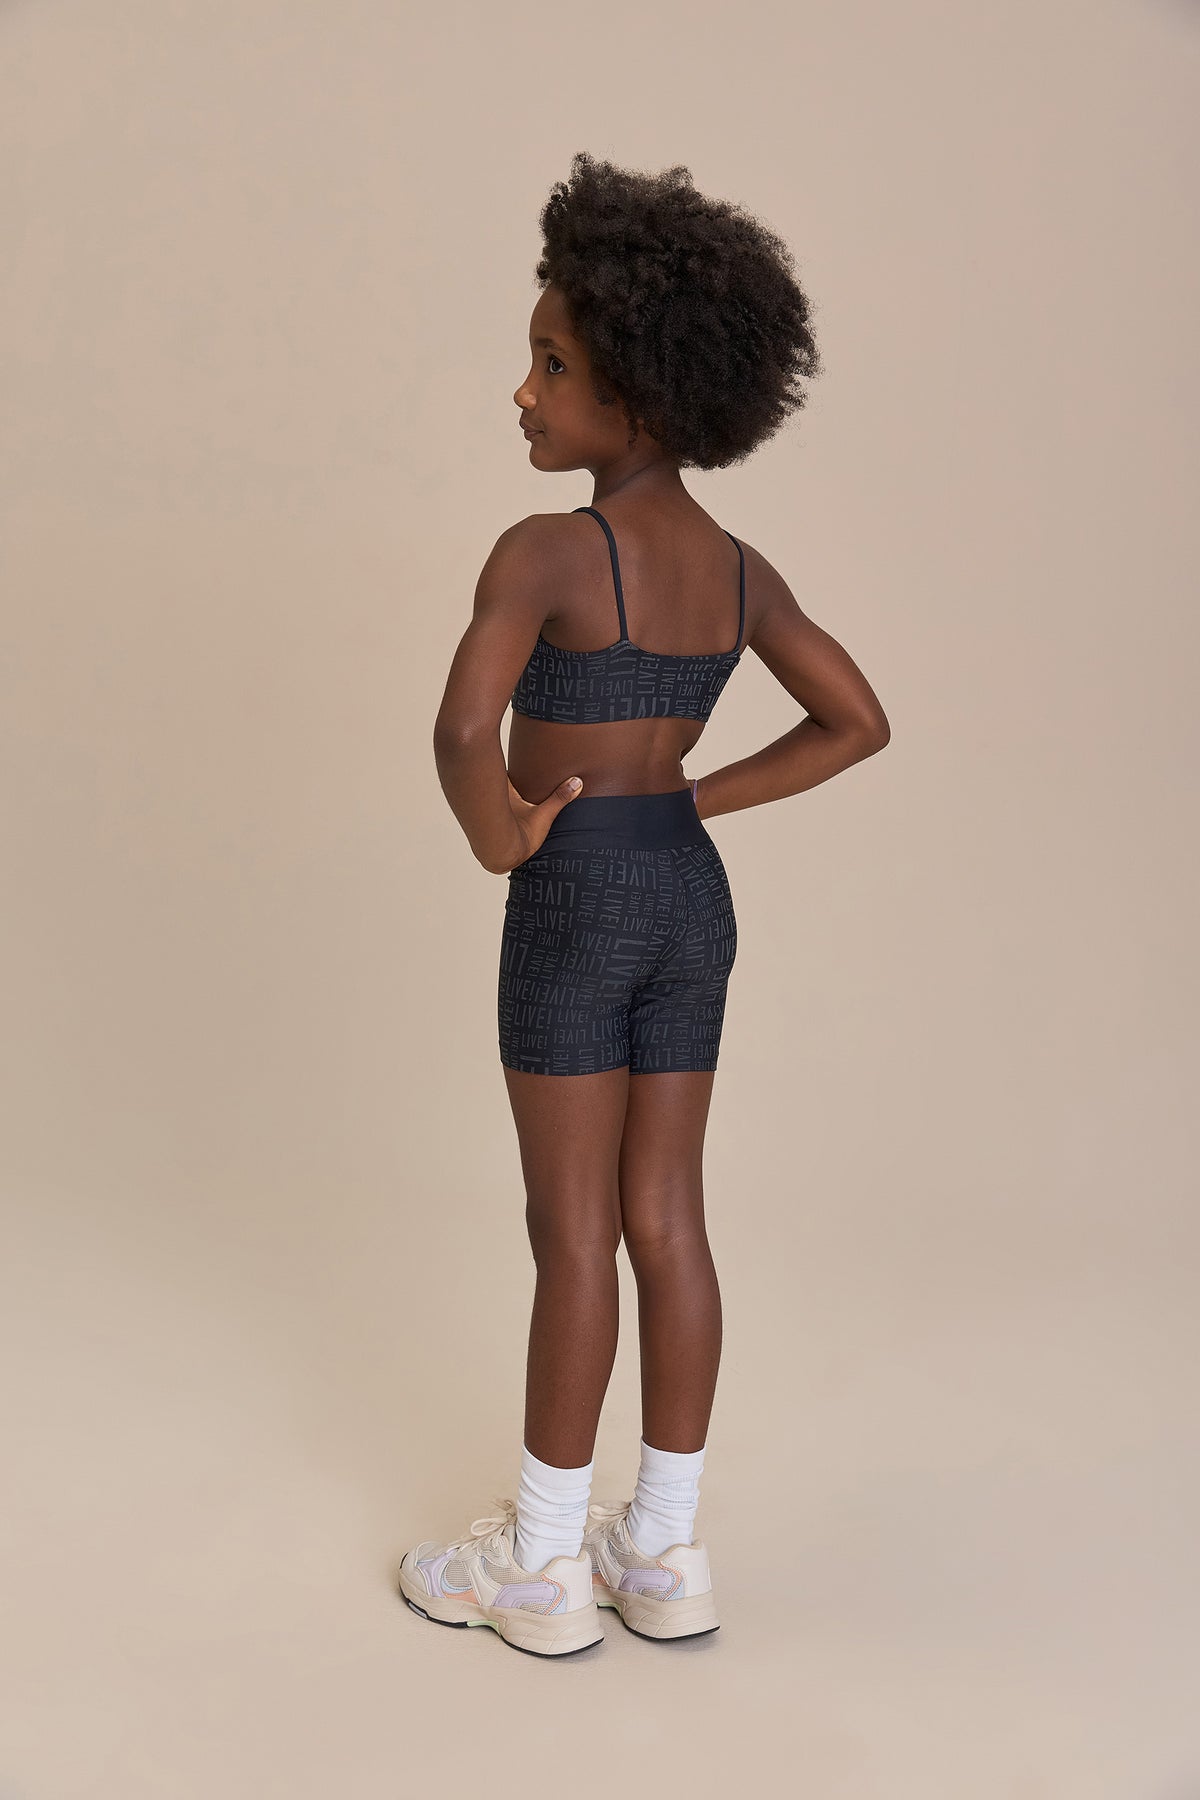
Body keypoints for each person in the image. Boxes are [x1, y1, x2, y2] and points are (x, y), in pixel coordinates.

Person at [398, 152, 891, 1657]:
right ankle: (665, 1554)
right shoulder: (737, 571)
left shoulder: (545, 551)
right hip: (689, 898)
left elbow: (458, 730)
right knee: (667, 1217)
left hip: (575, 900)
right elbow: (857, 721)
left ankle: (544, 1567)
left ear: (644, 395)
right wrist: (692, 799)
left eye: (554, 365)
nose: (525, 391)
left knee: (571, 1231)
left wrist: (502, 839)